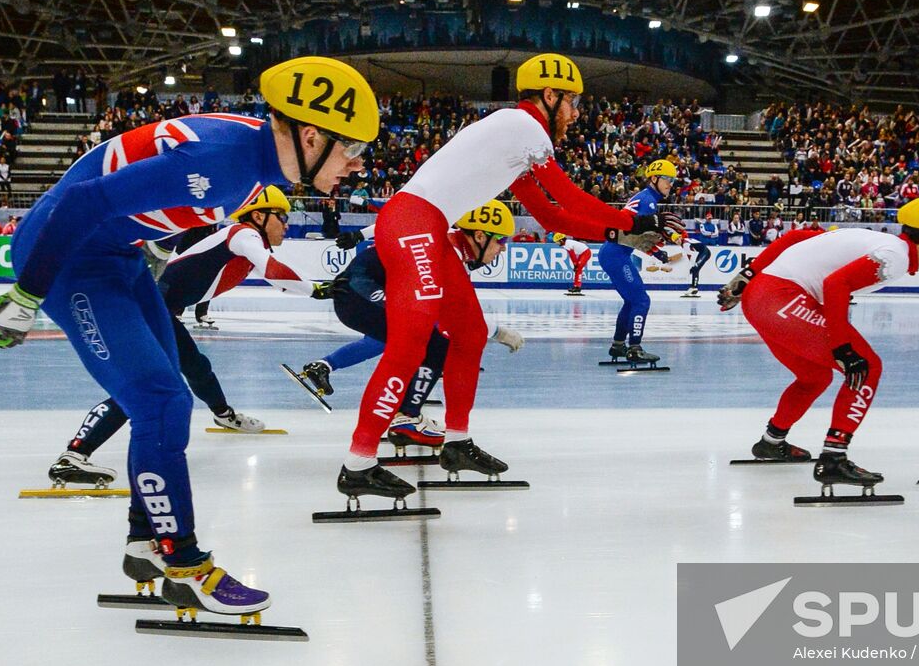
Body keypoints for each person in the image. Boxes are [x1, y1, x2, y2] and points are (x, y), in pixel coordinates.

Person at [0, 56, 377, 620]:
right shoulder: (224, 165)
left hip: (115, 253)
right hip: (69, 253)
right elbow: (80, 201)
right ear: (312, 135)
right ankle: (184, 564)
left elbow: (152, 187)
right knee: (160, 401)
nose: (355, 167)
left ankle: (146, 543)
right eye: (352, 150)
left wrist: (160, 243)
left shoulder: (254, 156)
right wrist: (26, 295)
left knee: (169, 399)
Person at [337, 52, 681, 505]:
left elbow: (548, 214)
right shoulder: (524, 127)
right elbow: (565, 194)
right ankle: (358, 464)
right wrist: (627, 222)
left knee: (471, 333)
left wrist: (617, 231)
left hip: (428, 224)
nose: (577, 115)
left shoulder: (516, 141)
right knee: (410, 343)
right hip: (413, 220)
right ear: (550, 95)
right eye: (573, 103)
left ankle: (456, 443)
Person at [48, 187, 330, 486]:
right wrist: (318, 289)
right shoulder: (244, 234)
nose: (286, 224)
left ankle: (223, 414)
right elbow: (274, 273)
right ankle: (73, 455)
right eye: (282, 217)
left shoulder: (246, 239)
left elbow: (278, 280)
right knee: (146, 386)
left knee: (196, 367)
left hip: (159, 309)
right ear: (259, 215)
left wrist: (314, 288)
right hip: (151, 309)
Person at [719, 195, 919, 491]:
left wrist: (747, 276)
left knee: (815, 377)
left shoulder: (874, 242)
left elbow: (796, 238)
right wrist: (842, 347)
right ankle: (834, 458)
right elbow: (835, 285)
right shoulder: (895, 256)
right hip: (781, 298)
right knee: (867, 367)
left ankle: (771, 442)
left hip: (761, 300)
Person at [291, 200, 525, 453]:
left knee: (419, 340)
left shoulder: (454, 248)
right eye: (501, 241)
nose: (503, 249)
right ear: (480, 235)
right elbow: (455, 313)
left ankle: (400, 412)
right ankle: (406, 417)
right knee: (433, 340)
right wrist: (497, 332)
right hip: (360, 289)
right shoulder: (449, 251)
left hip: (359, 291)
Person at [597, 159, 678, 364]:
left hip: (615, 252)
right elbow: (637, 232)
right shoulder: (648, 201)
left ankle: (617, 346)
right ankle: (634, 348)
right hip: (616, 253)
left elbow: (635, 234)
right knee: (641, 300)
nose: (671, 184)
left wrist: (656, 252)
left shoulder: (646, 198)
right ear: (654, 178)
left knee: (632, 300)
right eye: (667, 179)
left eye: (673, 180)